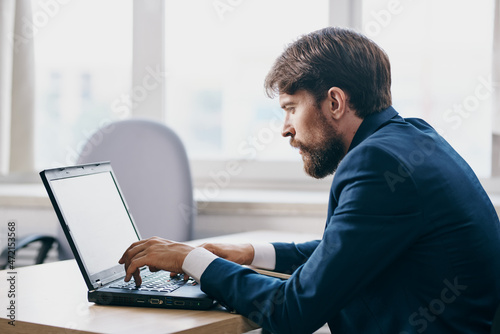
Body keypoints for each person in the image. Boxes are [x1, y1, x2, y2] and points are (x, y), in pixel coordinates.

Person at [119, 27, 500, 333]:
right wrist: (250, 254)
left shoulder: (375, 163)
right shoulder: (415, 137)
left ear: (334, 102)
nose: (285, 129)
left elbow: (293, 313)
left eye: (290, 108)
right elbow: (345, 251)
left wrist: (193, 260)